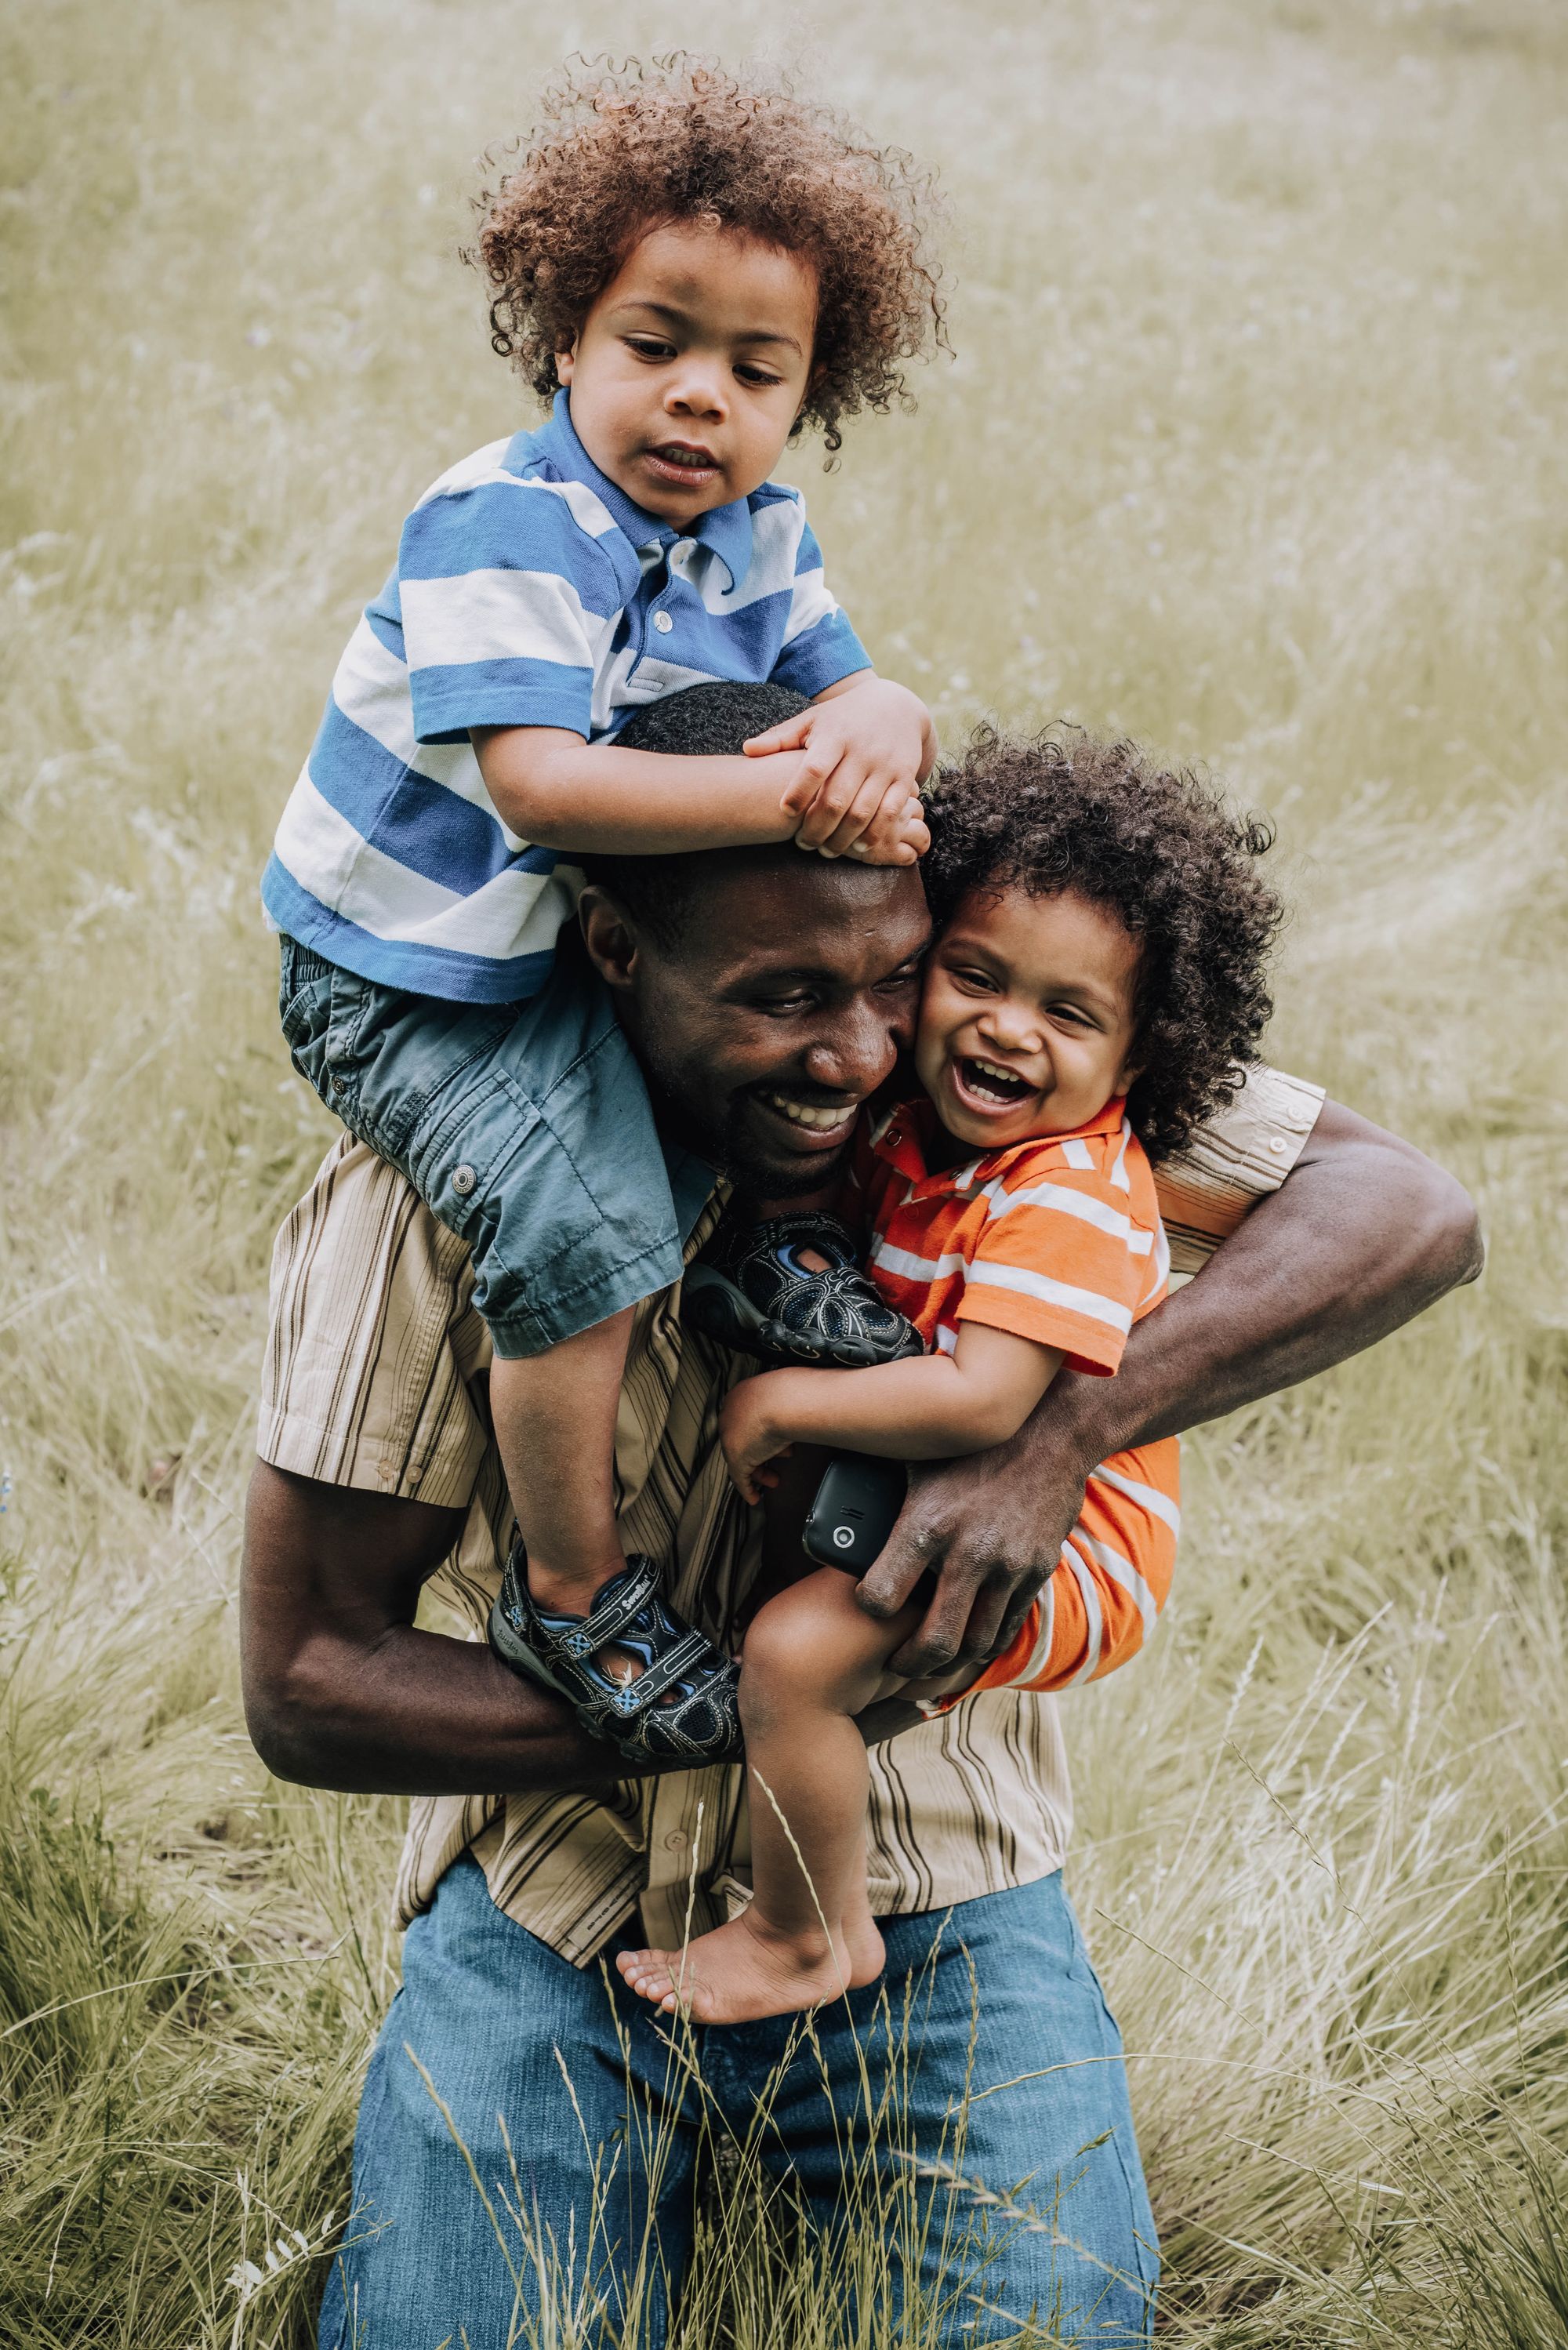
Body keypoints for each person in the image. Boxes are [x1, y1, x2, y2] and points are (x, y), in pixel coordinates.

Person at [241, 685, 1482, 2349]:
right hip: (556, 1905)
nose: (854, 1048)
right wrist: (759, 1709)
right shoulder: (441, 1188)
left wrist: (1061, 1431)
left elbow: (1406, 1206)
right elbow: (310, 1676)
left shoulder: (988, 1070)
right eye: (779, 997)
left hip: (945, 1886)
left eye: (894, 976)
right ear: (614, 955)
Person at [260, 58, 943, 1771]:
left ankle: (759, 1255)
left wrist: (888, 719)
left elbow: (848, 693)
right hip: (408, 976)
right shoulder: (508, 515)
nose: (697, 399)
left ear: (807, 395)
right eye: (656, 343)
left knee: (769, 1035)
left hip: (562, 953)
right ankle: (576, 1591)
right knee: (575, 1232)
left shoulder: (757, 529)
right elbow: (546, 786)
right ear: (564, 337)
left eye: (753, 368)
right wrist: (804, 786)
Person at [615, 728, 1279, 2024]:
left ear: (1137, 1061)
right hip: (968, 1470)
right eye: (974, 976)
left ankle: (808, 1934)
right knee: (803, 1623)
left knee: (797, 1653)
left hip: (1078, 1543)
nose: (1006, 1027)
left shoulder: (1069, 1187)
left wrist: (781, 1399)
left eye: (1068, 1012)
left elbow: (984, 1401)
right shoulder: (934, 1138)